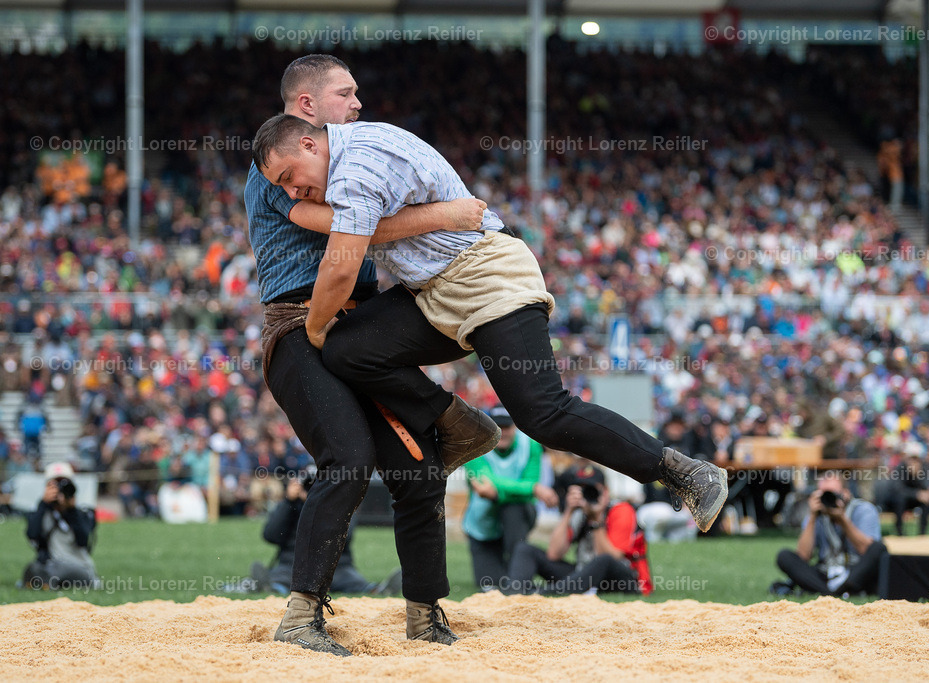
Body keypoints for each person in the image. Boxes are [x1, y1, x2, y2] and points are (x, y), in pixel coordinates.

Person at [251, 113, 728, 538]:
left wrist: (312, 328)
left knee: (542, 412)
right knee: (349, 349)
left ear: (312, 144)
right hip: (434, 291)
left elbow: (339, 267)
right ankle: (461, 425)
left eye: (291, 176)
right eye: (282, 186)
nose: (292, 190)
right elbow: (360, 225)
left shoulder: (355, 168)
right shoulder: (343, 160)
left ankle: (683, 471)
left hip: (487, 277)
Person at [244, 54, 499, 656]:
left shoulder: (348, 162)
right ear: (307, 109)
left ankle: (424, 614)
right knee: (350, 459)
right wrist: (449, 214)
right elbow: (348, 230)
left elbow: (365, 219)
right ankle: (301, 616)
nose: (357, 103)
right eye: (346, 93)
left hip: (353, 326)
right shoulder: (276, 164)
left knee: (418, 468)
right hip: (300, 327)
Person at [505, 464, 652, 596]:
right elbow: (553, 554)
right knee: (525, 549)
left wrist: (596, 519)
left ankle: (544, 593)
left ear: (605, 492)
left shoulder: (621, 510)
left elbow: (613, 558)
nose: (587, 495)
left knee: (603, 560)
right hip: (584, 576)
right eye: (582, 490)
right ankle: (515, 592)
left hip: (625, 579)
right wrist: (568, 512)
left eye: (592, 490)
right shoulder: (579, 513)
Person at [253, 469, 402, 597]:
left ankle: (380, 590)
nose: (312, 490)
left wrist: (328, 503)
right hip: (293, 564)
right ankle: (270, 587)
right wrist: (288, 502)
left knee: (353, 581)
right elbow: (270, 535)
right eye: (309, 487)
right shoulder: (291, 507)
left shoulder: (339, 505)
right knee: (282, 579)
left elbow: (346, 535)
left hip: (336, 566)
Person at [462, 405, 559, 590]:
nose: (501, 432)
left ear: (515, 427)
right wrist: (532, 488)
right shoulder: (473, 445)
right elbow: (488, 481)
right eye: (497, 427)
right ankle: (518, 574)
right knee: (489, 585)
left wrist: (498, 493)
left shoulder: (531, 445)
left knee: (514, 509)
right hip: (482, 527)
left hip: (516, 515)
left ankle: (519, 574)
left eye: (506, 427)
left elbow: (490, 486)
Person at [774, 471, 886, 597]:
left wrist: (842, 519)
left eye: (832, 494)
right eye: (823, 494)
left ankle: (834, 591)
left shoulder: (863, 510)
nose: (827, 498)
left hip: (857, 572)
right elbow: (803, 556)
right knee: (785, 556)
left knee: (879, 548)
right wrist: (812, 517)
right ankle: (834, 593)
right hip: (827, 572)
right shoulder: (816, 514)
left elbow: (867, 549)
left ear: (846, 494)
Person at [23, 462, 99, 590]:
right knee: (34, 569)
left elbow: (83, 540)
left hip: (78, 565)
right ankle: (49, 581)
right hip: (50, 563)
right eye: (55, 485)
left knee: (45, 572)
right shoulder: (41, 513)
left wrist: (71, 510)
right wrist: (43, 504)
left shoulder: (84, 513)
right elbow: (32, 536)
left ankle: (47, 581)